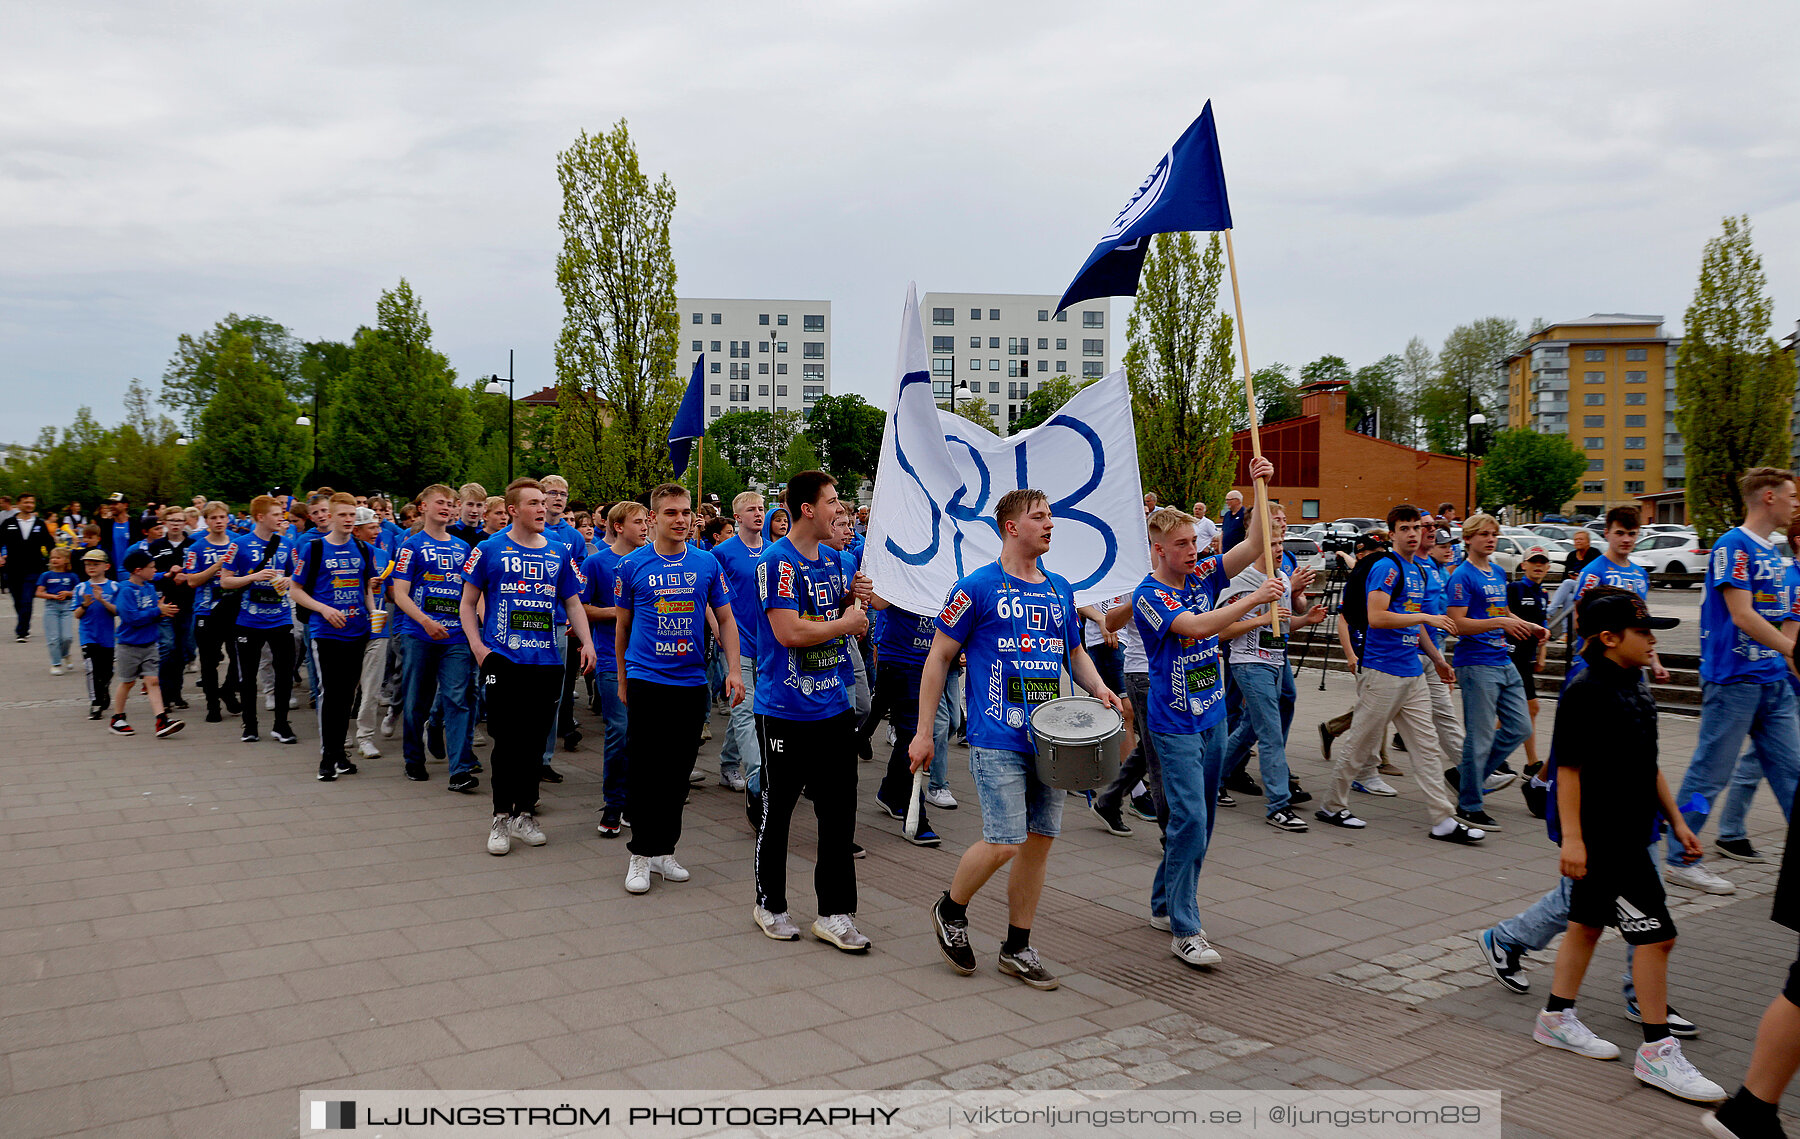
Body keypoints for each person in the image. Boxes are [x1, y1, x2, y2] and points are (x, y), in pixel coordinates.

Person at [912, 488, 1124, 991]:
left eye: (1050, 516)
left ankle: (1017, 946)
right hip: (997, 734)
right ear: (1011, 526)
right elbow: (938, 658)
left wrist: (1099, 688)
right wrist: (924, 732)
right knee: (1005, 840)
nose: (1050, 524)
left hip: (1053, 742)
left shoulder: (1058, 589)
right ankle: (951, 908)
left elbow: (1074, 651)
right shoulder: (976, 588)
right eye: (1039, 517)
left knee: (1039, 843)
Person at [1526, 589, 1725, 1103]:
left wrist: (1677, 821)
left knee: (1587, 925)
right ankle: (1657, 1052)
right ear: (1610, 638)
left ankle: (1555, 1017)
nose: (1653, 638)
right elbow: (1567, 770)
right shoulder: (1585, 690)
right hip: (1606, 840)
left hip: (1636, 830)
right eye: (1643, 631)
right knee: (1656, 938)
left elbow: (1648, 762)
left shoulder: (1633, 683)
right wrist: (1572, 840)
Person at [749, 471, 871, 949]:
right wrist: (844, 622)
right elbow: (788, 632)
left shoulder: (838, 560)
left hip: (833, 706)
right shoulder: (777, 562)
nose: (840, 511)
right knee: (778, 809)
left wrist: (853, 599)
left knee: (840, 812)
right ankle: (769, 903)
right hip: (784, 708)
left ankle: (835, 913)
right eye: (833, 502)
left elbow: (836, 612)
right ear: (807, 509)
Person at [1664, 468, 1800, 896]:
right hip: (1733, 681)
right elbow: (1742, 615)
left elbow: (1780, 622)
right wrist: (1793, 650)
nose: (1797, 504)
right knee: (1710, 774)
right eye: (1792, 496)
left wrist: (1788, 658)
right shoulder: (1733, 546)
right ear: (1768, 498)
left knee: (1794, 773)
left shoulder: (1774, 553)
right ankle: (1679, 858)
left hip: (1773, 682)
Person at [1316, 505, 1478, 842]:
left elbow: (1413, 622)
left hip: (1412, 673)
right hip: (1383, 672)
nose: (1413, 533)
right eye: (1405, 528)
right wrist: (1425, 619)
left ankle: (1444, 819)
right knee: (1360, 742)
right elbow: (1377, 617)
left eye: (1416, 527)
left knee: (1427, 746)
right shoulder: (1387, 568)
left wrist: (1437, 658)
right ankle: (1332, 805)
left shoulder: (1417, 570)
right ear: (1392, 535)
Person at [614, 483, 741, 891]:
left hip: (691, 682)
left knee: (678, 771)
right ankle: (639, 854)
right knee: (646, 768)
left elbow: (726, 619)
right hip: (647, 679)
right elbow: (622, 627)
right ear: (654, 518)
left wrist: (734, 670)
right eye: (671, 513)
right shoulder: (632, 565)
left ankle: (664, 851)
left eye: (686, 512)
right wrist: (621, 679)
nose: (681, 520)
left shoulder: (707, 564)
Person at [460, 478, 596, 855]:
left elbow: (572, 603)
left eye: (545, 501)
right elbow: (468, 603)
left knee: (536, 740)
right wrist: (478, 647)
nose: (542, 508)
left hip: (547, 661)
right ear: (514, 510)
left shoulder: (557, 552)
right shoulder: (489, 549)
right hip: (501, 659)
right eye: (534, 502)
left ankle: (525, 812)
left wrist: (587, 643)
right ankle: (501, 817)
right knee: (506, 738)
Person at [1218, 505, 1327, 835]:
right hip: (1249, 664)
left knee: (1251, 728)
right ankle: (1278, 804)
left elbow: (1281, 624)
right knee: (1270, 734)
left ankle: (1216, 777)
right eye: (1274, 544)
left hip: (1276, 662)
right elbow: (1222, 630)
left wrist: (1305, 620)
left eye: (1282, 544)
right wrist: (1261, 616)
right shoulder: (1241, 580)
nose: (1280, 550)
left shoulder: (1281, 579)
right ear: (1261, 545)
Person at [1446, 513, 1545, 829]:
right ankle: (1469, 805)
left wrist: (1527, 625)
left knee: (1519, 726)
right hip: (1475, 663)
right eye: (1484, 534)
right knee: (1481, 735)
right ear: (1468, 539)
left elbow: (1501, 610)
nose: (1490, 539)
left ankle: (1465, 776)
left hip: (1502, 660)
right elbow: (1457, 624)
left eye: (1494, 534)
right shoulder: (1462, 576)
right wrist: (1500, 623)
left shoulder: (1498, 572)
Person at [392, 485, 480, 790]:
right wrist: (425, 621)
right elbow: (399, 594)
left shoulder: (463, 548)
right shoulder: (410, 546)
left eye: (450, 504)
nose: (446, 507)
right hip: (419, 634)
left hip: (455, 637)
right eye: (439, 503)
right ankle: (413, 759)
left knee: (458, 699)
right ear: (423, 507)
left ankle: (459, 769)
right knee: (417, 699)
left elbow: (473, 594)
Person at [289, 493, 378, 782]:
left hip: (357, 630)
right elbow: (296, 590)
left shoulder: (363, 549)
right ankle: (328, 757)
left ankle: (340, 753)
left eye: (353, 515)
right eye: (343, 515)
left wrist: (374, 612)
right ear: (330, 516)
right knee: (331, 694)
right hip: (326, 632)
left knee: (348, 695)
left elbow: (366, 588)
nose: (349, 520)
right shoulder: (314, 549)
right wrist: (324, 609)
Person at [582, 499, 649, 836]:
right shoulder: (596, 562)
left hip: (650, 660)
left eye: (645, 521)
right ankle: (614, 802)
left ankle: (636, 800)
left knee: (643, 735)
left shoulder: (653, 560)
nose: (644, 528)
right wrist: (619, 612)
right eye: (637, 522)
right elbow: (581, 608)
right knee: (619, 731)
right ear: (619, 526)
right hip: (611, 658)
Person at [224, 495, 298, 745]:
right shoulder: (239, 544)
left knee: (285, 673)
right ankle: (250, 724)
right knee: (248, 673)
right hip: (248, 620)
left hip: (281, 618)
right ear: (260, 517)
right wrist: (252, 577)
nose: (282, 518)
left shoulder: (287, 544)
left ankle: (281, 724)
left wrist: (288, 581)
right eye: (277, 514)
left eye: (282, 514)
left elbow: (296, 576)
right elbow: (225, 580)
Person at [709, 492, 767, 807]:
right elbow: (708, 595)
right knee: (745, 711)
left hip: (770, 646)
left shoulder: (774, 551)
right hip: (738, 644)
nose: (758, 514)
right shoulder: (722, 553)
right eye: (751, 510)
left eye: (761, 509)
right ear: (737, 517)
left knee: (745, 707)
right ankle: (758, 778)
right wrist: (717, 628)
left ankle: (728, 764)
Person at [109, 549, 184, 738]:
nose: (155, 570)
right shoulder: (126, 590)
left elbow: (153, 613)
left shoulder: (149, 588)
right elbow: (131, 618)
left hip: (150, 643)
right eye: (151, 567)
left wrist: (163, 612)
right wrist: (157, 611)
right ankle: (117, 717)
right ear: (137, 570)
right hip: (129, 645)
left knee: (153, 681)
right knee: (128, 682)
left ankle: (161, 720)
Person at [344, 507, 395, 762]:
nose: (378, 531)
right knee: (345, 686)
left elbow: (392, 592)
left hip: (378, 627)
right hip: (347, 628)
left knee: (372, 687)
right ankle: (340, 733)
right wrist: (365, 584)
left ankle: (365, 737)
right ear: (356, 530)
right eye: (372, 527)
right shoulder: (345, 553)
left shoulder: (384, 555)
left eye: (378, 526)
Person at [182, 502, 241, 723]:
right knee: (208, 661)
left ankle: (228, 689)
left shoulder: (237, 542)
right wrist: (216, 567)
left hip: (234, 608)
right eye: (213, 518)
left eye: (222, 517)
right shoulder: (196, 547)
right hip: (206, 610)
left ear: (228, 519)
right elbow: (192, 580)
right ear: (206, 521)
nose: (218, 521)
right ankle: (212, 705)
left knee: (240, 656)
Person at [1508, 551, 1553, 794]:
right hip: (1511, 654)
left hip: (1526, 657)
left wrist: (1541, 655)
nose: (1538, 566)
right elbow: (1501, 615)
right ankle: (1530, 761)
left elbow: (1543, 627)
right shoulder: (1514, 588)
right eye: (1534, 562)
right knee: (1526, 709)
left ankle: (1530, 762)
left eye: (1543, 563)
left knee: (1525, 710)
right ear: (1524, 565)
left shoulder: (1543, 593)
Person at [1, 493, 55, 641]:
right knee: (18, 600)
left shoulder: (39, 523)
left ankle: (22, 632)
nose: (29, 505)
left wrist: (56, 557)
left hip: (34, 568)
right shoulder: (8, 523)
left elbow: (49, 544)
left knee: (27, 599)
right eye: (26, 502)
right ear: (18, 504)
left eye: (31, 502)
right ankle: (24, 623)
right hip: (12, 569)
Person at [73, 550, 118, 717]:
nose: (91, 567)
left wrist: (102, 600)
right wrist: (84, 604)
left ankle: (104, 689)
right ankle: (95, 703)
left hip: (107, 636)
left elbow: (117, 611)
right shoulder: (80, 587)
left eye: (95, 564)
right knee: (91, 669)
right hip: (88, 635)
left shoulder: (114, 587)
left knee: (107, 671)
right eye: (88, 564)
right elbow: (76, 614)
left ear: (106, 566)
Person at [35, 546, 78, 674]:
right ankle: (56, 663)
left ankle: (65, 654)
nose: (54, 560)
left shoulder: (72, 576)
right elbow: (39, 592)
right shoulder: (46, 575)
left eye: (58, 558)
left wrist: (68, 593)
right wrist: (53, 596)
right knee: (53, 638)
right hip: (51, 607)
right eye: (52, 557)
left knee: (67, 637)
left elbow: (78, 591)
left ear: (65, 560)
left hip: (66, 607)